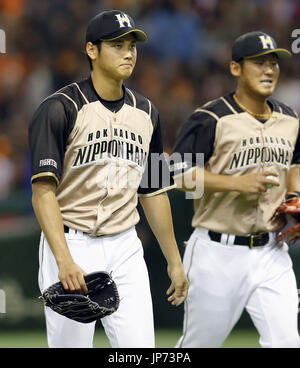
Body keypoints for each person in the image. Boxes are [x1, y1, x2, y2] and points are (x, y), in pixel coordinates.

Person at [29, 10, 188, 348]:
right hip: (72, 241)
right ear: (91, 50)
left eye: (132, 45)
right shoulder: (59, 108)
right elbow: (43, 192)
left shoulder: (147, 112)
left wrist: (175, 260)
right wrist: (64, 259)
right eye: (117, 44)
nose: (129, 52)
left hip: (126, 245)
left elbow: (155, 191)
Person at [170, 31, 300, 348]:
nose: (269, 70)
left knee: (287, 342)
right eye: (258, 63)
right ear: (235, 68)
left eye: (273, 63)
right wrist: (236, 183)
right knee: (199, 345)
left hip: (272, 251)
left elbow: (295, 164)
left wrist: (296, 198)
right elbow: (176, 173)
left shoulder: (289, 118)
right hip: (217, 251)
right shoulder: (210, 117)